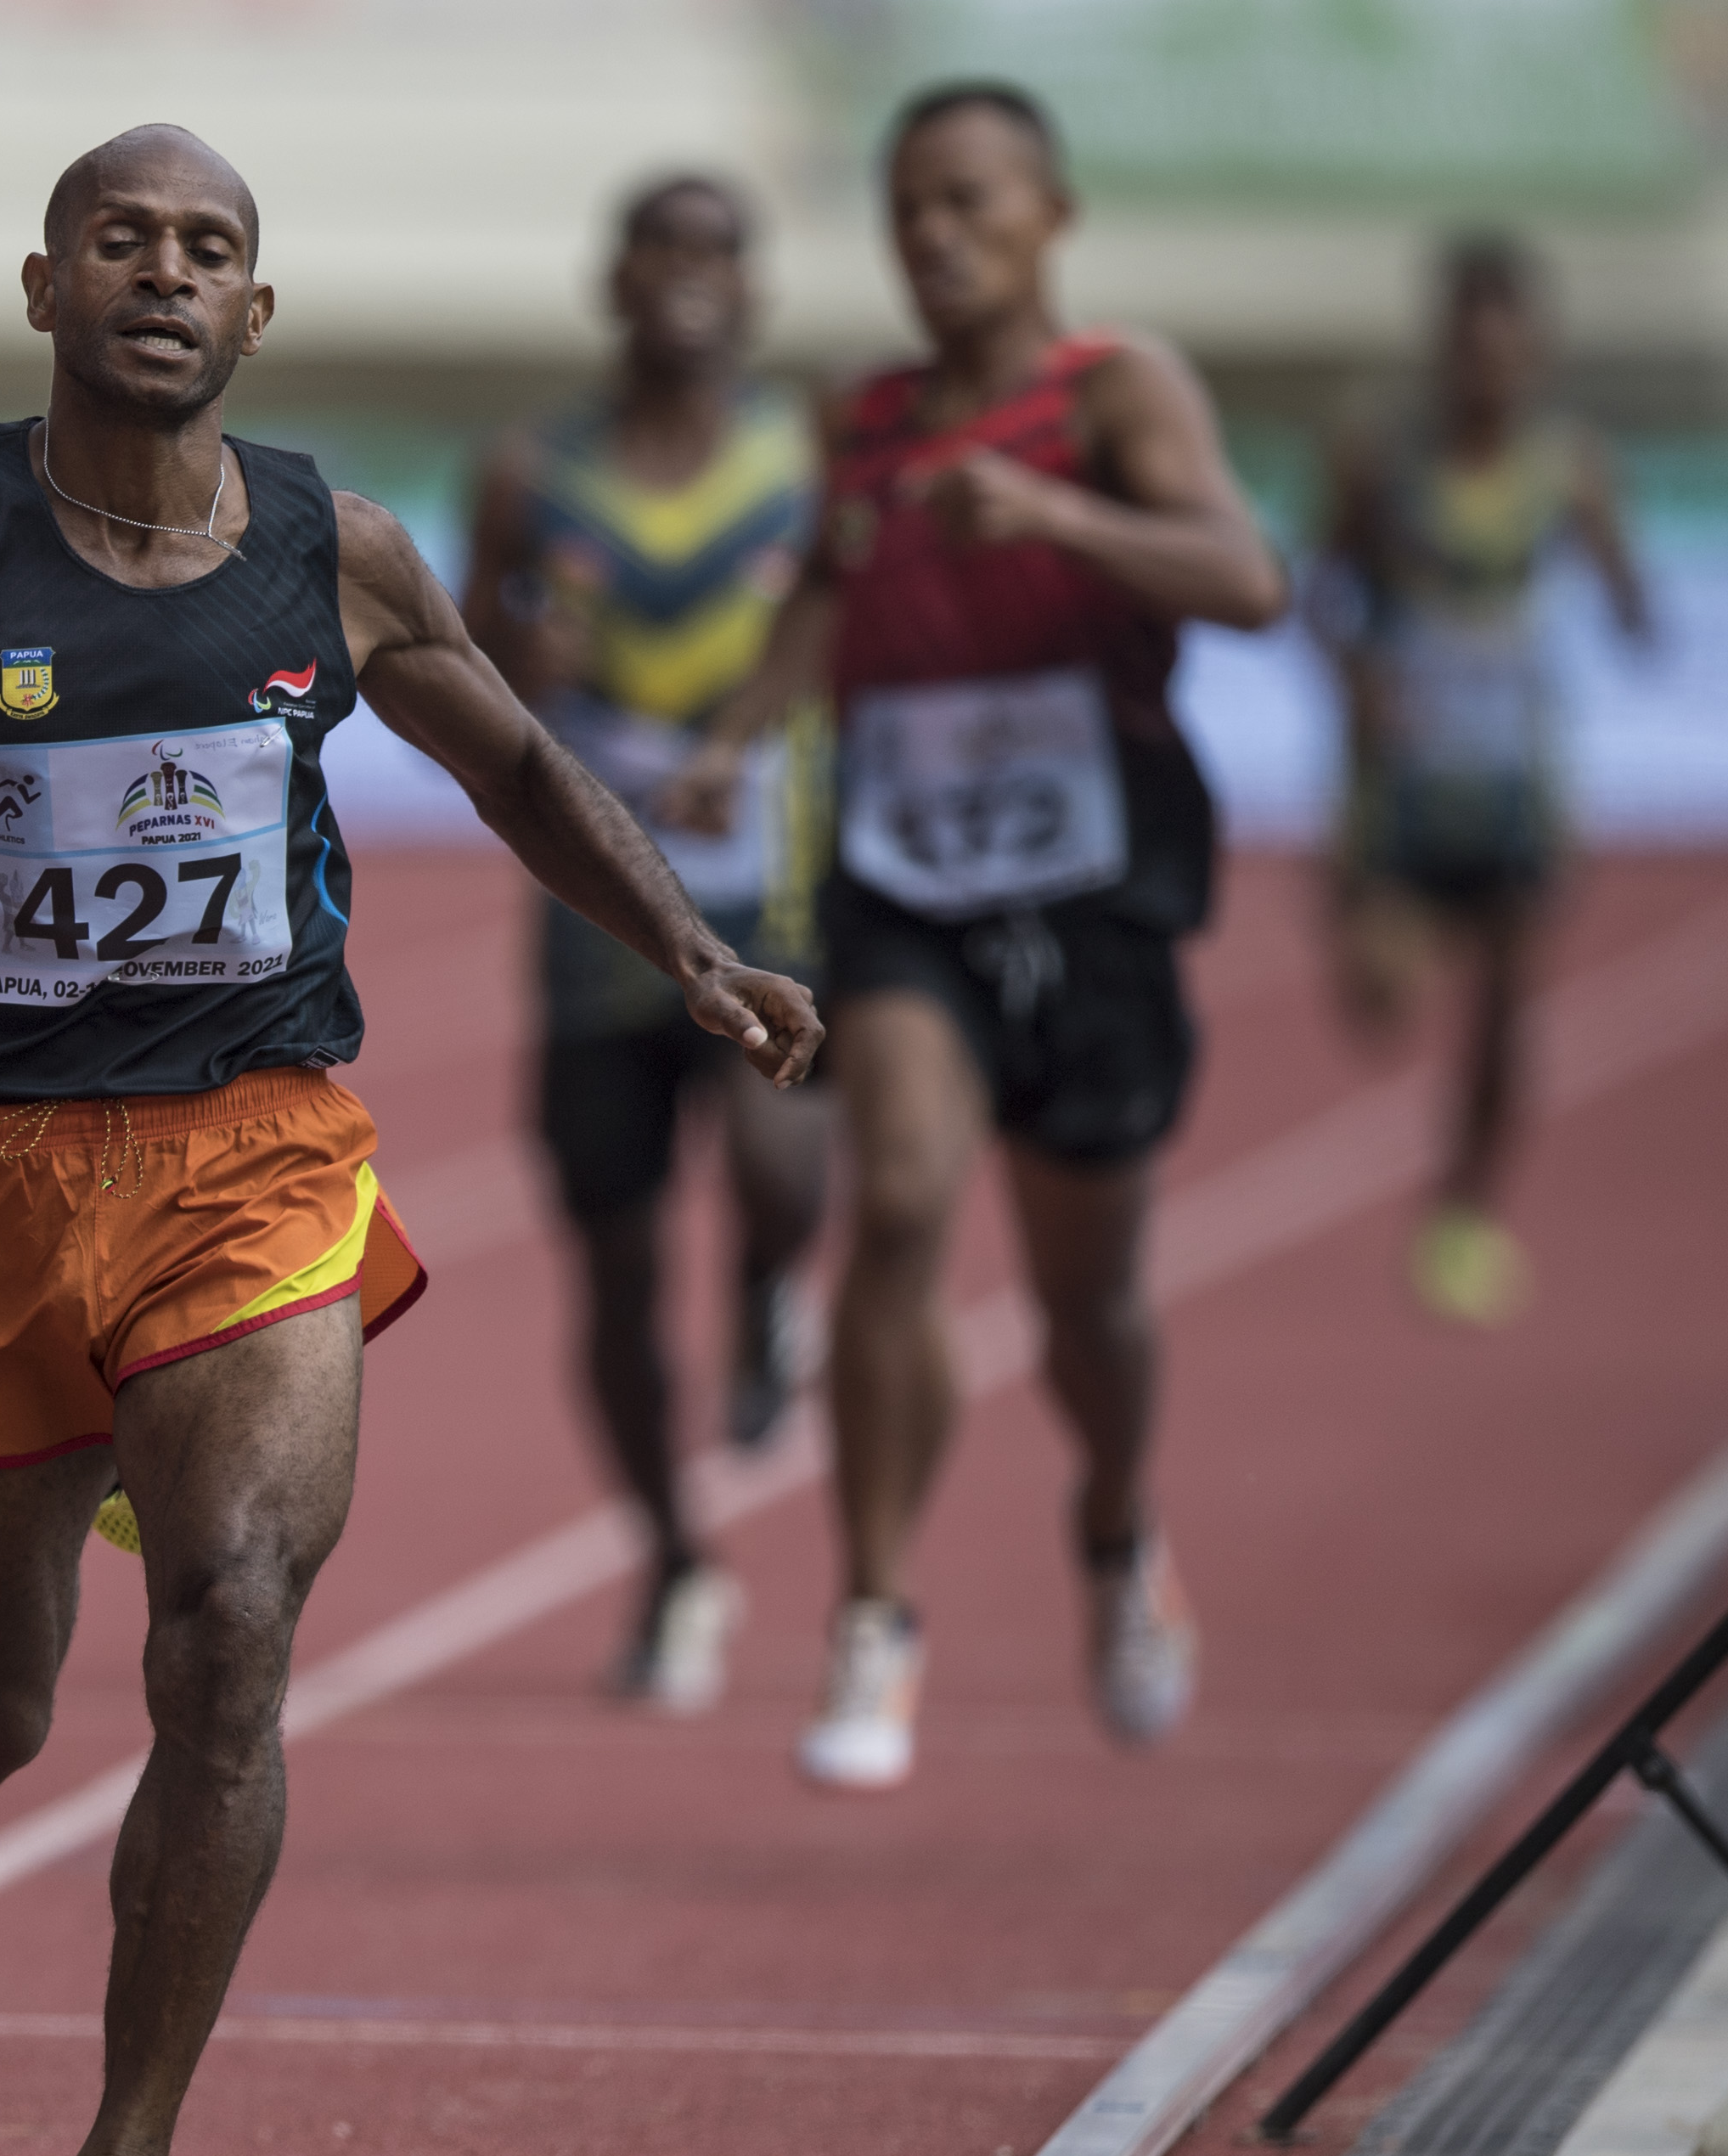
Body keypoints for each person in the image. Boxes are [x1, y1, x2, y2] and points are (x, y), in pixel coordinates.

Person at [0, 125, 823, 2156]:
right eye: (124, 241)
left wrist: (687, 946)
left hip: (253, 1157)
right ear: (43, 288)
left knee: (228, 1626)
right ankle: (90, 1445)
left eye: (211, 249)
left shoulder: (335, 546)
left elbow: (506, 761)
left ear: (258, 313)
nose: (166, 276)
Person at [666, 82, 1288, 1792]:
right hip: (901, 882)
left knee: (1086, 1299)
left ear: (1047, 216)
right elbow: (819, 589)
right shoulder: (861, 419)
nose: (932, 235)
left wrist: (1056, 519)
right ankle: (870, 1613)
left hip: (1092, 890)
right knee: (906, 1197)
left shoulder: (1112, 391)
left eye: (967, 202)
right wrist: (738, 730)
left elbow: (1247, 578)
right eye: (905, 207)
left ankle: (1110, 1524)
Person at [459, 172, 836, 1713]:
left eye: (715, 252)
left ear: (750, 288)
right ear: (613, 281)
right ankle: (677, 1559)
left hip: (765, 886)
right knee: (610, 1274)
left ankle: (766, 1289)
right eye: (658, 250)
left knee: (772, 1157)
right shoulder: (527, 466)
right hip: (594, 911)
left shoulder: (805, 457)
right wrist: (516, 656)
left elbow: (842, 624)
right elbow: (458, 649)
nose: (686, 276)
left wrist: (745, 732)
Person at [1314, 233, 1651, 1326]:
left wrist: (1626, 608)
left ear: (1535, 354)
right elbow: (1313, 590)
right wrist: (1356, 670)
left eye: (1508, 351)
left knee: (1507, 1012)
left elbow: (1627, 600)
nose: (1487, 370)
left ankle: (1461, 1213)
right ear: (1443, 349)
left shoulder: (1569, 467)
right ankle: (1363, 925)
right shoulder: (1379, 458)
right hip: (1398, 784)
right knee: (1381, 999)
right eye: (1468, 348)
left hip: (1514, 778)